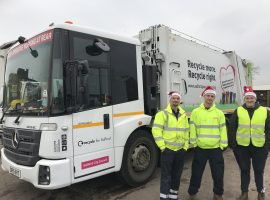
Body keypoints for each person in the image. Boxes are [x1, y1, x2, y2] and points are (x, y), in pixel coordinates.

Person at [228, 86, 270, 200]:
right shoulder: (239, 110)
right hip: (242, 147)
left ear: (255, 99)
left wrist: (267, 146)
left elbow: (268, 129)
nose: (250, 100)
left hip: (260, 147)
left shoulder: (264, 111)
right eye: (247, 98)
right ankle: (244, 193)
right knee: (244, 170)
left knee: (259, 171)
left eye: (251, 98)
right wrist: (233, 145)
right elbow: (232, 127)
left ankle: (261, 192)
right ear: (245, 99)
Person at [188, 86, 227, 200]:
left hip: (216, 149)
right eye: (208, 96)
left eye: (212, 96)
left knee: (218, 174)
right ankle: (192, 192)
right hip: (200, 148)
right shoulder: (196, 112)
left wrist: (222, 145)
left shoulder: (219, 113)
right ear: (204, 96)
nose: (210, 98)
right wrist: (194, 144)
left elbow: (223, 130)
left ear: (214, 98)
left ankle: (218, 194)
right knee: (196, 173)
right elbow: (193, 128)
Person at [152, 91, 189, 200]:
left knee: (177, 176)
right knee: (166, 176)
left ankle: (173, 196)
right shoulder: (162, 114)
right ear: (170, 99)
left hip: (180, 151)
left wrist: (185, 147)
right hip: (168, 151)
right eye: (173, 98)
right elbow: (156, 131)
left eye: (177, 98)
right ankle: (164, 197)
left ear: (179, 100)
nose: (175, 100)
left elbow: (186, 131)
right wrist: (163, 147)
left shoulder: (183, 115)